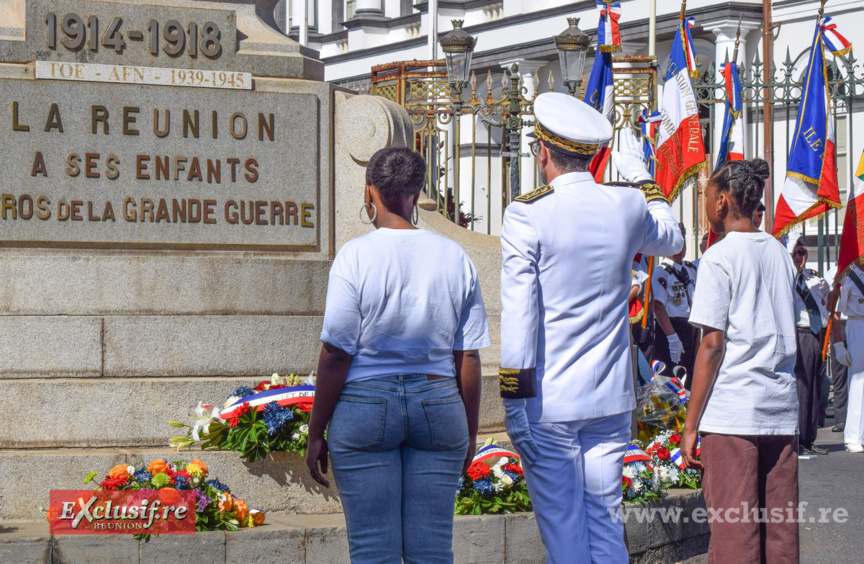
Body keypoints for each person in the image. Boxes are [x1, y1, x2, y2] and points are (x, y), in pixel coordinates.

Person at [498, 95, 682, 564]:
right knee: (604, 524)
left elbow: (520, 315)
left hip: (550, 403)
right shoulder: (626, 203)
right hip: (609, 397)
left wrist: (514, 401)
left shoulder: (527, 213)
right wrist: (644, 179)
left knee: (564, 532)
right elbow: (675, 236)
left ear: (543, 152)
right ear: (592, 154)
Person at [306, 147, 491, 563]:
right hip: (438, 402)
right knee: (431, 550)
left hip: (365, 404)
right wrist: (470, 431)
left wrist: (317, 430)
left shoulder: (355, 256)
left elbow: (336, 352)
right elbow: (469, 358)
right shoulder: (454, 257)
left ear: (369, 191)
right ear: (418, 191)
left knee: (373, 550)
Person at [682, 159, 799, 563]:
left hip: (732, 414)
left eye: (705, 198)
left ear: (722, 201)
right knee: (781, 536)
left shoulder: (718, 258)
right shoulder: (781, 254)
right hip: (780, 409)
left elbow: (712, 347)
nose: (705, 205)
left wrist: (690, 425)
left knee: (735, 538)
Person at [789, 234, 831, 455]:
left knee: (817, 387)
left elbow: (828, 302)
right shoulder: (785, 279)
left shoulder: (814, 278)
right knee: (802, 389)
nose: (799, 257)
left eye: (802, 252)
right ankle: (798, 440)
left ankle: (809, 438)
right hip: (800, 334)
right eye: (795, 253)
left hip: (818, 335)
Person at [652, 228, 699, 383]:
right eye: (675, 244)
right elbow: (658, 307)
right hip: (671, 329)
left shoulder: (691, 269)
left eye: (682, 244)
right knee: (669, 380)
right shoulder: (662, 272)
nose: (680, 248)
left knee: (688, 379)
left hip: (690, 328)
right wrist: (672, 337)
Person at [832, 263, 864, 452]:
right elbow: (835, 314)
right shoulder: (849, 278)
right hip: (857, 325)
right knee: (858, 381)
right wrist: (838, 344)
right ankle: (853, 436)